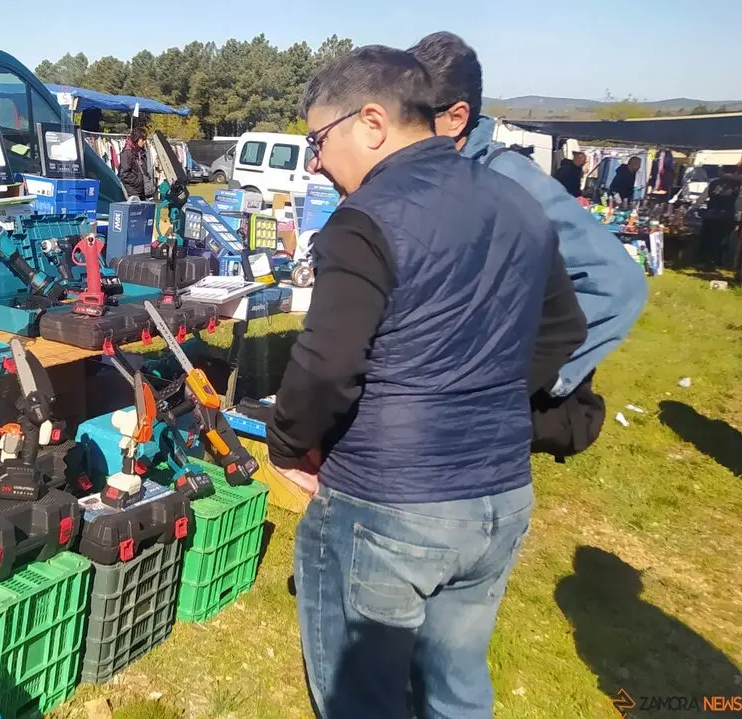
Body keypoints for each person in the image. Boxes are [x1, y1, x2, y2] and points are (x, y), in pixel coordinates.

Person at [266, 45, 586, 719]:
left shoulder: (364, 219)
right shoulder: (519, 203)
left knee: (364, 701)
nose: (317, 161)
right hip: (498, 498)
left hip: (390, 504)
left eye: (319, 140)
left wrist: (290, 444)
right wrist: (487, 392)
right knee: (457, 689)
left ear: (373, 123)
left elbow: (325, 366)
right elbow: (562, 331)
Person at [409, 31, 648, 461]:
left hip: (476, 425)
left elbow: (617, 283)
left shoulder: (510, 181)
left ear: (456, 118)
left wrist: (524, 377)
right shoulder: (432, 176)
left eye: (412, 116)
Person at [696, 163, 742, 268]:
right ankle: (717, 260)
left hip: (711, 215)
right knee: (722, 239)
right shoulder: (738, 185)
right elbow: (738, 203)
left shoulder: (714, 182)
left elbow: (701, 198)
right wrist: (737, 217)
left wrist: (694, 207)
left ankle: (702, 259)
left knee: (707, 237)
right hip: (727, 216)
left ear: (722, 170)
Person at [118, 127, 154, 200]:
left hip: (141, 190)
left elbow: (144, 170)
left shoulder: (141, 152)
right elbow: (124, 174)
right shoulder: (127, 152)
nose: (144, 142)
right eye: (142, 139)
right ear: (137, 138)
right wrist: (138, 181)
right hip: (132, 191)